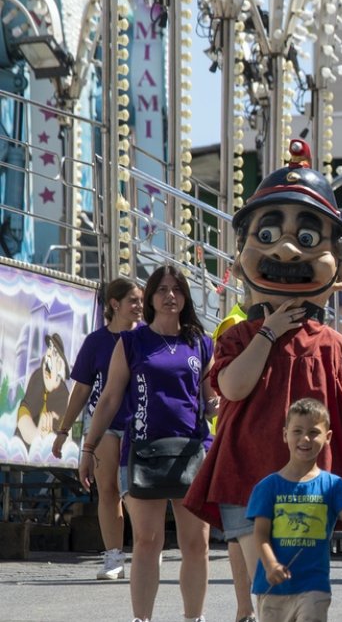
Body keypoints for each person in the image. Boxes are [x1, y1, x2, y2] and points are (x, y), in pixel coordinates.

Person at [182, 146, 342, 622]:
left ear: (339, 265)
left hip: (310, 486)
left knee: (305, 590)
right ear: (240, 253)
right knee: (269, 594)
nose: (287, 250)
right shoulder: (236, 336)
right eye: (267, 234)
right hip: (247, 477)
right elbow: (231, 388)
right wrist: (269, 332)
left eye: (309, 237)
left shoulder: (334, 344)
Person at [78, 265, 215, 622]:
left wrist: (221, 403)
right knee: (147, 542)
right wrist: (88, 448)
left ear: (185, 296)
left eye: (177, 289)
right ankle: (142, 619)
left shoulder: (201, 342)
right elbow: (108, 399)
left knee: (197, 545)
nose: (170, 296)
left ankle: (193, 618)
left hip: (192, 451)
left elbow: (211, 399)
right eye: (162, 290)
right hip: (142, 452)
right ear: (151, 298)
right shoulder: (131, 342)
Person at [249, 398, 342, 622]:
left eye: (314, 432)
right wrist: (271, 565)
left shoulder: (333, 485)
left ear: (328, 438)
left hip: (314, 586)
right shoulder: (268, 487)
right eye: (297, 431)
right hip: (272, 589)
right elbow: (260, 534)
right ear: (285, 434)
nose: (305, 438)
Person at [52, 277, 143, 580]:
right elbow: (81, 391)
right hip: (103, 424)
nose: (139, 306)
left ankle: (145, 551)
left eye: (142, 299)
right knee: (108, 490)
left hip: (139, 424)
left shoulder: (147, 337)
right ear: (114, 304)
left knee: (139, 494)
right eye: (133, 300)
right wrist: (64, 430)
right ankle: (113, 558)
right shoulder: (96, 342)